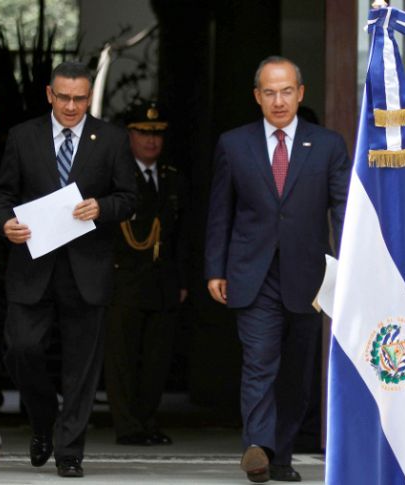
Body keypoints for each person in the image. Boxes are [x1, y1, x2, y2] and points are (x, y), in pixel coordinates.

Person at [204, 56, 350, 483]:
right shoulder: (234, 144)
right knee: (259, 361)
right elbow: (220, 212)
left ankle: (280, 455)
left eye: (287, 91)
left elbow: (343, 211)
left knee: (296, 375)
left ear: (301, 93)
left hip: (309, 278)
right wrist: (215, 268)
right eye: (269, 92)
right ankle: (258, 446)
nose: (279, 100)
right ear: (257, 97)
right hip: (253, 273)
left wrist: (349, 268)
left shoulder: (327, 145)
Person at [0, 61, 137, 478]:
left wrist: (102, 207)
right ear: (49, 94)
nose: (72, 106)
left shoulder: (110, 139)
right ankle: (43, 420)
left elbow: (129, 197)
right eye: (64, 97)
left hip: (86, 269)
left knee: (82, 366)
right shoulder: (23, 136)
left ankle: (69, 451)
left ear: (89, 97)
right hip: (32, 266)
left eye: (80, 98)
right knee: (21, 348)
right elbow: (2, 193)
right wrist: (5, 224)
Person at [104, 100, 190, 447]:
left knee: (156, 360)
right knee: (122, 358)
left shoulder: (172, 178)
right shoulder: (115, 176)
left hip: (163, 281)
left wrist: (183, 279)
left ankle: (146, 420)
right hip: (123, 280)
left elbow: (183, 235)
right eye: (143, 133)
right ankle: (127, 426)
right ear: (129, 135)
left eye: (157, 134)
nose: (151, 141)